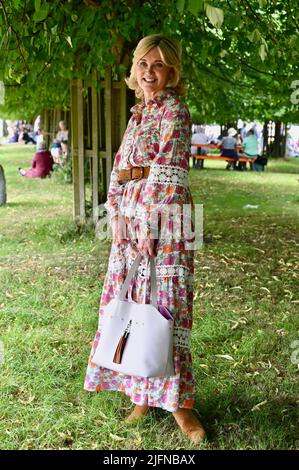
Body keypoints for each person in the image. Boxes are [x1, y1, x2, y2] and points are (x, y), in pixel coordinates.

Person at [84, 34, 206, 445]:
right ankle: (141, 394)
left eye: (158, 65)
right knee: (134, 301)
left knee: (165, 305)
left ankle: (179, 405)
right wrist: (116, 214)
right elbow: (121, 168)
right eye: (143, 65)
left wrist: (148, 223)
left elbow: (169, 168)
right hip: (130, 215)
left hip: (165, 217)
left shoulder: (175, 110)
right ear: (134, 70)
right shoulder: (138, 114)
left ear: (171, 71)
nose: (149, 73)